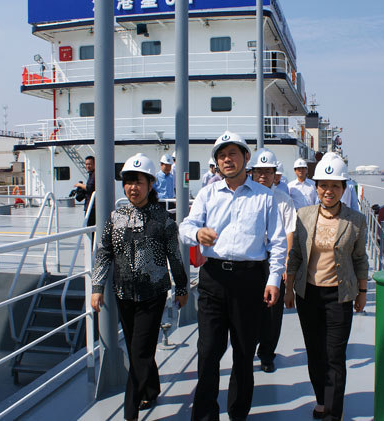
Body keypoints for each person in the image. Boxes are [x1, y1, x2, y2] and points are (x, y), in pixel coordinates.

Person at [179, 131, 287, 421]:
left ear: (245, 158)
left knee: (243, 353)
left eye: (233, 154)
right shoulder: (207, 194)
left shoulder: (265, 197)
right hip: (213, 279)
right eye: (221, 156)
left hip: (250, 282)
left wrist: (273, 280)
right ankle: (205, 416)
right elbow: (185, 226)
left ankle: (238, 414)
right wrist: (197, 233)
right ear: (216, 162)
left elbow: (278, 243)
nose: (227, 160)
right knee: (208, 352)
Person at [91, 153, 188, 421]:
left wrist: (181, 288)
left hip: (153, 294)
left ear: (150, 184)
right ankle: (151, 388)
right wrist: (97, 287)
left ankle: (130, 412)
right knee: (139, 349)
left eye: (139, 182)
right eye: (128, 182)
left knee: (139, 352)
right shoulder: (116, 217)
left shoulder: (163, 219)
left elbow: (175, 256)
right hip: (123, 294)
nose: (133, 188)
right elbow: (104, 254)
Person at [285, 155, 368, 421]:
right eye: (323, 185)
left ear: (343, 188)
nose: (328, 191)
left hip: (339, 296)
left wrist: (362, 292)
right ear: (316, 187)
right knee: (315, 352)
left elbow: (360, 259)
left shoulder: (356, 220)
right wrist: (288, 288)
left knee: (335, 356)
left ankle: (333, 412)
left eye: (335, 186)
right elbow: (296, 255)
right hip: (308, 294)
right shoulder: (304, 216)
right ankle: (322, 399)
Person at [249, 148, 296, 373]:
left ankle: (267, 354)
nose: (263, 176)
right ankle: (247, 348)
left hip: (273, 260)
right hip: (250, 260)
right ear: (251, 172)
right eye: (259, 171)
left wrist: (286, 264)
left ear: (274, 174)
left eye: (268, 171)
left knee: (272, 311)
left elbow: (289, 233)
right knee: (249, 308)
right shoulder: (246, 197)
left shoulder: (283, 200)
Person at [74, 155, 96, 226]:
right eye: (86, 164)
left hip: (92, 207)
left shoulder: (94, 175)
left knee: (90, 226)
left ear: (94, 164)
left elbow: (90, 188)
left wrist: (79, 185)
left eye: (89, 164)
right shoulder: (91, 175)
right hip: (90, 205)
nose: (87, 166)